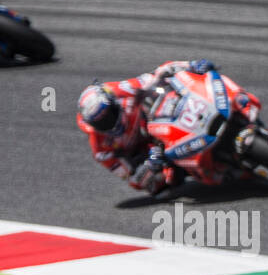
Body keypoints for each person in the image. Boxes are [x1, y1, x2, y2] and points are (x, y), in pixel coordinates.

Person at [75, 58, 222, 195]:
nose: (108, 122)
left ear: (113, 103)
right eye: (101, 123)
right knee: (159, 183)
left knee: (175, 88)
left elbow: (160, 73)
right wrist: (149, 166)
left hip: (161, 119)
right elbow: (132, 179)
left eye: (109, 115)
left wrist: (191, 65)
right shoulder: (101, 150)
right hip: (152, 153)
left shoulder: (121, 90)